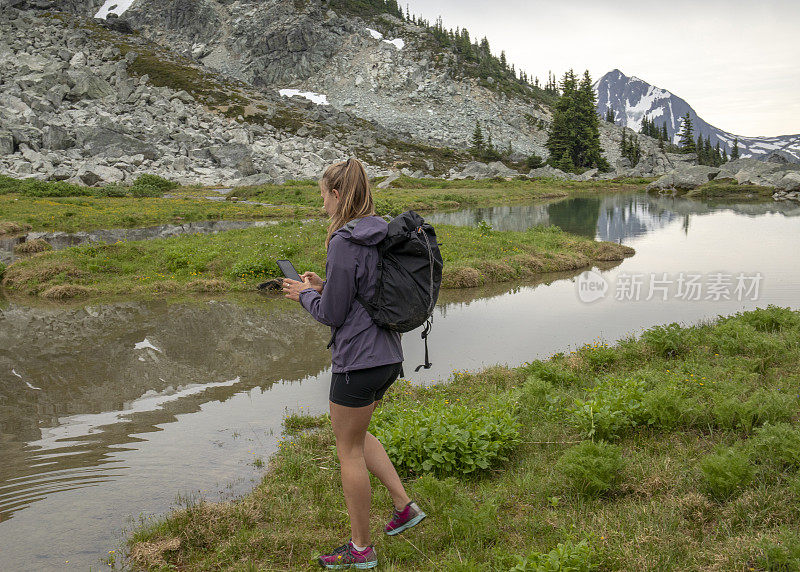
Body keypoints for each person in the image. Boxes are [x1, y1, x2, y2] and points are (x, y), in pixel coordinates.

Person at [282, 158, 426, 569]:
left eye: (324, 194)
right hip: (386, 357)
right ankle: (403, 507)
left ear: (339, 194)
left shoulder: (344, 240)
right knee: (358, 437)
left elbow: (332, 314)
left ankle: (360, 549)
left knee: (347, 449)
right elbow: (362, 293)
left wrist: (303, 295)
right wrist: (323, 286)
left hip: (358, 361)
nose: (322, 203)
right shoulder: (379, 230)